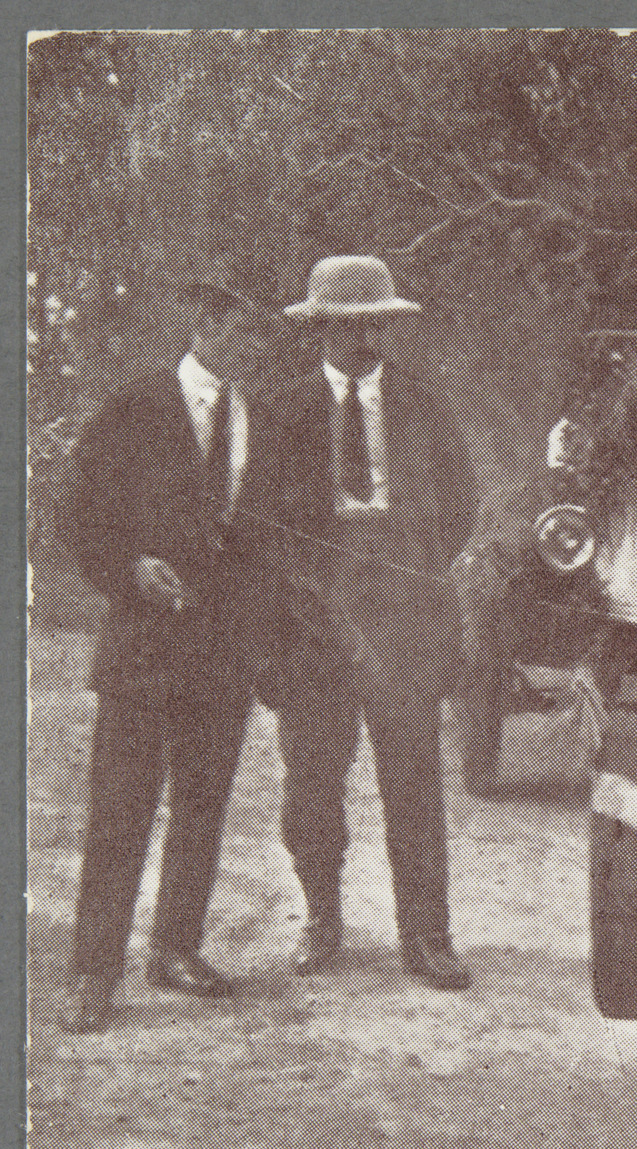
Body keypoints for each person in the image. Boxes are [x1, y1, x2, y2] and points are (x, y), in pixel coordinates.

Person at [57, 274, 294, 1033]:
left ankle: (176, 949)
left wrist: (261, 624)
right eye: (237, 326)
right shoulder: (133, 408)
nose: (249, 343)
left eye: (257, 331)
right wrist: (129, 568)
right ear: (202, 323)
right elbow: (76, 515)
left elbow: (271, 534)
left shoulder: (261, 417)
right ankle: (94, 973)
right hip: (146, 646)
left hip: (224, 651)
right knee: (121, 808)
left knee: (202, 803)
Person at [266, 255, 478, 989]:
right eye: (347, 325)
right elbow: (263, 522)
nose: (362, 339)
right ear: (320, 329)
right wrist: (303, 602)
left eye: (374, 325)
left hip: (402, 618)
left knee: (413, 781)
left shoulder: (421, 405)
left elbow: (459, 503)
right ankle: (323, 919)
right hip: (313, 619)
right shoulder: (283, 412)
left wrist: (410, 573)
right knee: (312, 783)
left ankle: (427, 938)